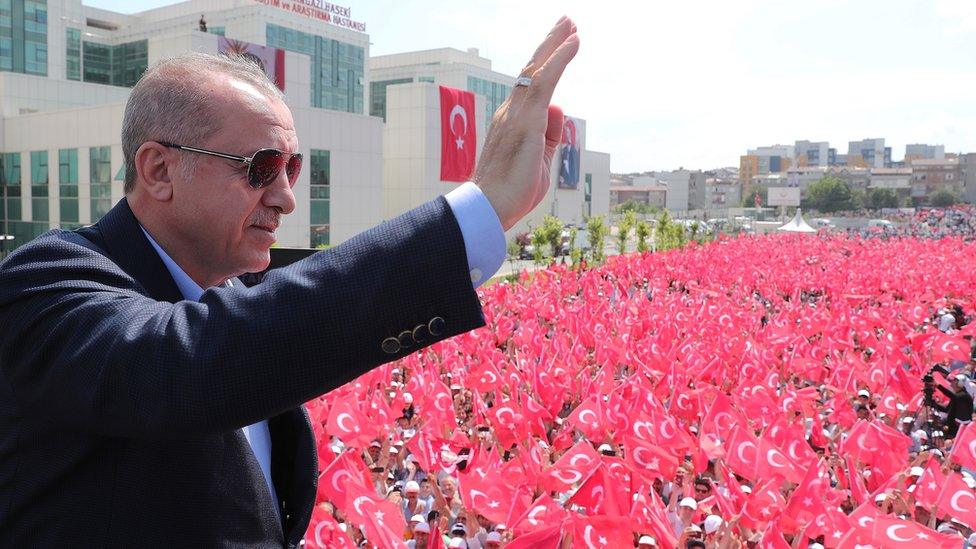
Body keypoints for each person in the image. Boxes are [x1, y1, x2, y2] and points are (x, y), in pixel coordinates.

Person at [0, 16, 579, 547]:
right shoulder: (45, 283)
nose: (286, 197)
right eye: (260, 168)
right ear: (159, 170)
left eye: (293, 168)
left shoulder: (231, 297)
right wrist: (473, 216)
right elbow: (184, 362)